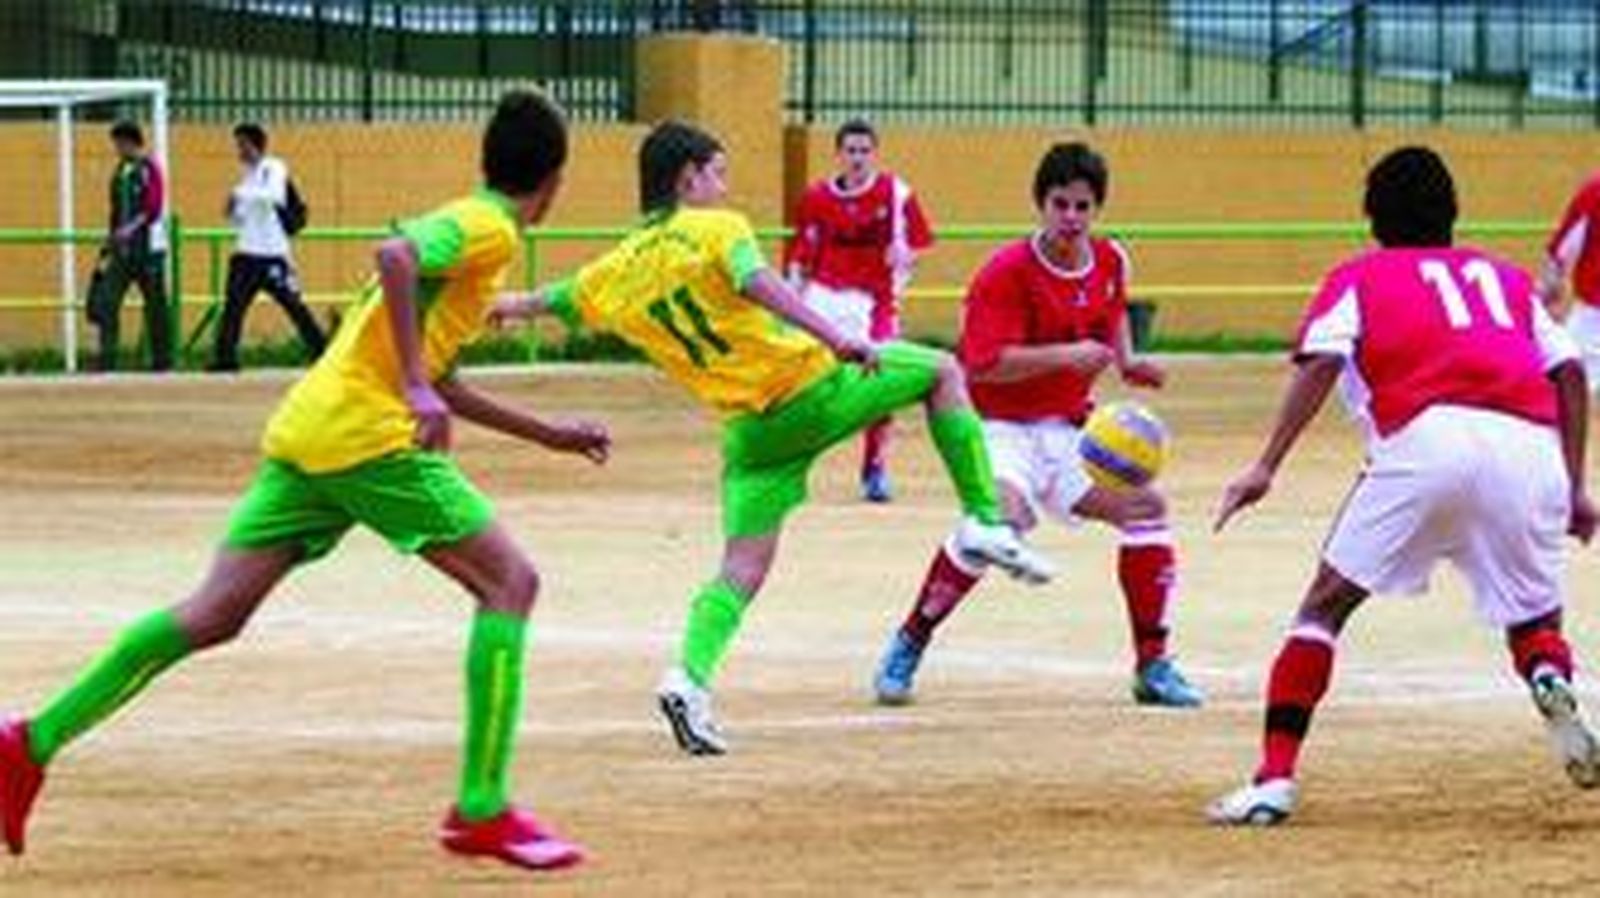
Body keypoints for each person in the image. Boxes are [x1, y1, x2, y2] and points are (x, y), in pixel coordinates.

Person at [0, 91, 609, 871]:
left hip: (312, 429)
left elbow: (443, 377)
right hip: (366, 439)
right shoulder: (489, 227)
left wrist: (547, 434)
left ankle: (30, 741)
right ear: (553, 180)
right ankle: (481, 807)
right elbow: (395, 257)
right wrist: (416, 388)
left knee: (212, 614)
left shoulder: (475, 233)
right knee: (511, 585)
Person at [492, 120, 1052, 757]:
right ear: (689, 178)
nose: (725, 186)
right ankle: (983, 518)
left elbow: (542, 299)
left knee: (740, 570)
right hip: (809, 391)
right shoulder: (716, 227)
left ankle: (689, 681)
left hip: (750, 436)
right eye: (719, 173)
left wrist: (486, 302)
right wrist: (835, 336)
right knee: (942, 371)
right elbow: (759, 281)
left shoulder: (612, 270)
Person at [1207, 146, 1599, 826]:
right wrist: (1576, 485)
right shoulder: (1503, 279)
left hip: (1426, 443)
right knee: (1535, 620)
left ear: (1373, 219)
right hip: (1530, 447)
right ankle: (1549, 678)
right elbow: (1568, 373)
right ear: (1453, 214)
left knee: (1323, 610)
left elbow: (1322, 361)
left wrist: (1266, 464)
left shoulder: (1360, 276)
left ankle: (1273, 780)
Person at [869, 142, 1203, 710]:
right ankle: (911, 639)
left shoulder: (1111, 259)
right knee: (1004, 523)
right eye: (1059, 204)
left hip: (1071, 431)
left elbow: (1112, 310)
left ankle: (1153, 664)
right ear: (1040, 205)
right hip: (998, 428)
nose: (1071, 217)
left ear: (1097, 209)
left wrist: (1127, 361)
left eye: (1082, 206)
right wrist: (1065, 356)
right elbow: (981, 364)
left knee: (1147, 508)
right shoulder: (1006, 272)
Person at [785, 118, 934, 502]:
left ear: (875, 153)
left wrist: (906, 258)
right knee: (805, 386)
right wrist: (791, 300)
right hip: (824, 298)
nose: (857, 158)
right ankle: (790, 463)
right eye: (850, 151)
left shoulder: (895, 193)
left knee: (880, 384)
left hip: (874, 303)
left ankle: (874, 468)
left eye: (864, 150)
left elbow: (918, 243)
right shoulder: (817, 198)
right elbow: (802, 256)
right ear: (838, 154)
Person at [210, 122, 327, 372]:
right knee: (233, 308)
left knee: (295, 306)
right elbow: (240, 218)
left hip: (272, 254)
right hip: (245, 253)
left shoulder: (274, 167)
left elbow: (274, 195)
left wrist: (239, 193)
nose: (239, 151)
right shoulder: (247, 176)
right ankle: (225, 359)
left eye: (242, 145)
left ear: (255, 145)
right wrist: (231, 209)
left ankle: (322, 353)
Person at [86, 120, 172, 372]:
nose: (116, 148)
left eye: (118, 142)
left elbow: (153, 207)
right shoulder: (120, 171)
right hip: (122, 251)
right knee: (107, 302)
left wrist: (130, 228)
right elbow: (115, 211)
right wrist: (110, 240)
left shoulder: (149, 168)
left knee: (156, 306)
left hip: (148, 251)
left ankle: (162, 361)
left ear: (129, 141)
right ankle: (107, 359)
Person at [1536, 170, 1600, 387]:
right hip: (1592, 323)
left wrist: (1545, 301)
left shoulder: (1596, 190)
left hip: (1593, 323)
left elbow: (1560, 253)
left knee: (1565, 390)